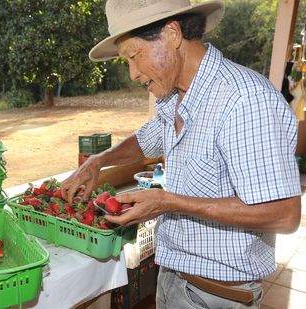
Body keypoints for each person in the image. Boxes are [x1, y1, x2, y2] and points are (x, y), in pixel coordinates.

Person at [60, 0, 302, 308]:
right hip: (175, 278)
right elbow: (147, 139)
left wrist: (168, 202)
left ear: (172, 34)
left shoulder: (244, 100)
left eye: (134, 56)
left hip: (215, 296)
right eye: (126, 62)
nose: (133, 73)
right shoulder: (175, 95)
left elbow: (283, 213)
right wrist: (99, 160)